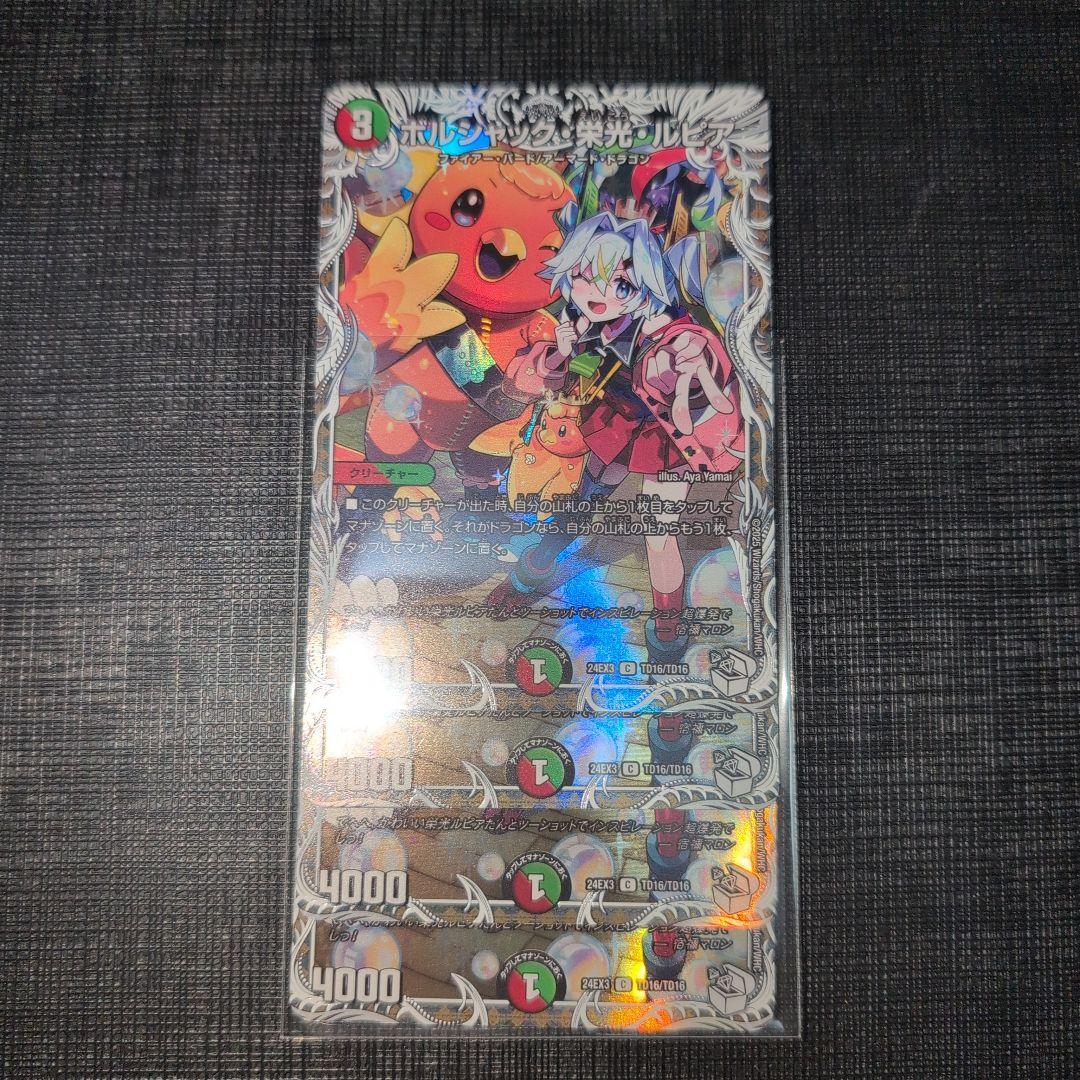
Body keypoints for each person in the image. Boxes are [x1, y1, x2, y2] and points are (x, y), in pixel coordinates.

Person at [493, 212, 744, 664]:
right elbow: (548, 380)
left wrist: (695, 371)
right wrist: (563, 354)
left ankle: (666, 636)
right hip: (619, 418)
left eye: (620, 285)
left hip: (666, 438)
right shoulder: (586, 318)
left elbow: (701, 361)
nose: (597, 294)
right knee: (586, 496)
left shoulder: (673, 333)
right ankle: (534, 568)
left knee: (658, 534)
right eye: (584, 278)